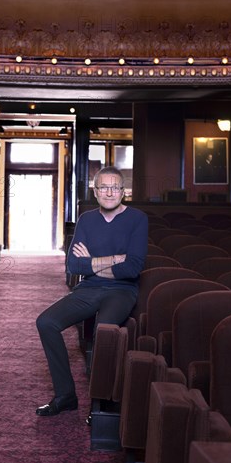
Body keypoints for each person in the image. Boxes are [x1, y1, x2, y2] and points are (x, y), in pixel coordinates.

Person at [36, 166, 148, 416]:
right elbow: (74, 265)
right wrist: (114, 259)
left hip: (122, 291)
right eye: (103, 187)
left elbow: (132, 268)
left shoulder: (138, 219)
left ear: (123, 192)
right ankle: (65, 396)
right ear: (95, 192)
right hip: (88, 288)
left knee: (104, 330)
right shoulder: (87, 219)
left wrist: (94, 262)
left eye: (115, 187)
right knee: (46, 322)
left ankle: (101, 404)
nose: (109, 192)